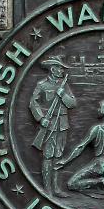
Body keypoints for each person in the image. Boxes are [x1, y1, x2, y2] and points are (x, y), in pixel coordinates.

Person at [29, 56, 76, 195]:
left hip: (62, 124)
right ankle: (47, 189)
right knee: (48, 156)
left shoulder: (64, 85)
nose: (62, 71)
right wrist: (40, 118)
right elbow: (33, 103)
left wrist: (62, 95)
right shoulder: (42, 85)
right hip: (49, 123)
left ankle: (56, 188)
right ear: (53, 69)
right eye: (60, 68)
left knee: (58, 156)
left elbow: (72, 104)